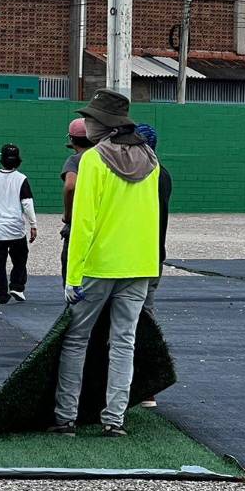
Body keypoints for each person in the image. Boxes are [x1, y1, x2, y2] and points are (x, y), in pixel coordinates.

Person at [51, 89, 161, 438]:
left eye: (90, 118)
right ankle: (114, 420)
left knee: (76, 339)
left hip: (99, 265)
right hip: (140, 265)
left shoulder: (93, 161)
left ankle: (65, 416)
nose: (86, 123)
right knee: (124, 342)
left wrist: (73, 275)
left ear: (104, 125)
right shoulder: (152, 161)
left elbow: (83, 223)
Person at [135, 122, 173, 409]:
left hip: (130, 258)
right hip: (154, 257)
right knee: (145, 319)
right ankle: (148, 389)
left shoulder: (134, 176)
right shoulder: (164, 175)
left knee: (124, 325)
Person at [0, 143, 38, 304]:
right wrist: (33, 225)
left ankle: (1, 294)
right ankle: (17, 286)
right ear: (18, 160)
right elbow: (27, 204)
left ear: (1, 159)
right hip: (16, 230)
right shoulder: (22, 179)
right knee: (20, 259)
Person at [60, 118, 93, 281]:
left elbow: (70, 186)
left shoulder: (75, 160)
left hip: (78, 223)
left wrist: (68, 214)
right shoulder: (103, 157)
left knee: (71, 267)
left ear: (72, 139)